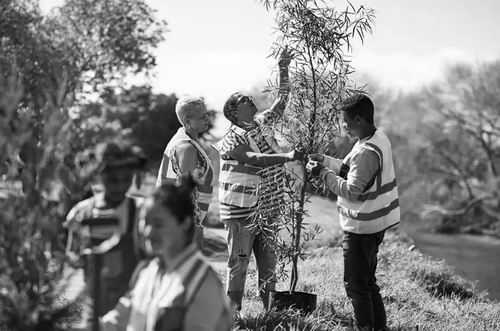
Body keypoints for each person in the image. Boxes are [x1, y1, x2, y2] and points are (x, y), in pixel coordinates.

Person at [213, 48, 303, 312]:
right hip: (240, 212)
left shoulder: (261, 123)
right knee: (238, 264)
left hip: (266, 208)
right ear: (233, 111)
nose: (250, 100)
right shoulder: (231, 137)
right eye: (243, 100)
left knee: (269, 263)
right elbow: (252, 158)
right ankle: (233, 315)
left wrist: (283, 68)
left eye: (249, 98)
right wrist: (287, 156)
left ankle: (271, 311)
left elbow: (282, 100)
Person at [306, 94, 399, 331]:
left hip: (362, 227)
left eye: (345, 121)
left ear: (358, 119)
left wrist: (321, 173)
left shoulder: (366, 151)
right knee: (368, 283)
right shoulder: (377, 138)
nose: (343, 126)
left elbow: (352, 189)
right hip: (375, 223)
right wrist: (324, 161)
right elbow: (350, 169)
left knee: (356, 286)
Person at [100, 175, 232, 331]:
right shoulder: (146, 271)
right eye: (145, 222)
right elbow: (118, 321)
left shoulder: (202, 281)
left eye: (158, 224)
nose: (148, 232)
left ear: (184, 224)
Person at [64, 142, 146, 329]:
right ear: (100, 176)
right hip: (94, 297)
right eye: (113, 180)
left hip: (130, 299)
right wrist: (77, 257)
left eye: (127, 179)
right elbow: (71, 251)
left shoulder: (139, 210)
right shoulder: (83, 212)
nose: (121, 186)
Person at [156, 96, 214, 250]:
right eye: (202, 116)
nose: (206, 118)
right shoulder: (186, 147)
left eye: (206, 114)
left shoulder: (187, 139)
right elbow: (186, 189)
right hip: (182, 219)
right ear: (188, 122)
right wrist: (195, 225)